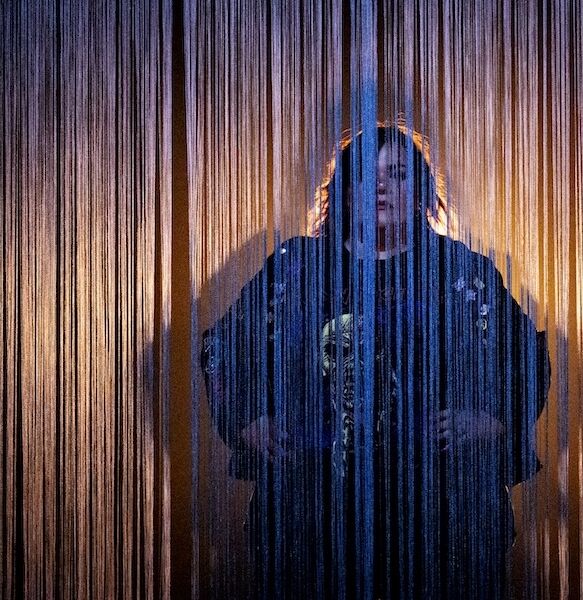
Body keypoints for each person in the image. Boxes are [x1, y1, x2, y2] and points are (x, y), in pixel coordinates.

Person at [200, 125, 550, 599]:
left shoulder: (459, 271)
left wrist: (492, 419)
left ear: (421, 192)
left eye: (398, 174)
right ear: (345, 190)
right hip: (313, 509)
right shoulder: (297, 267)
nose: (381, 186)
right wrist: (247, 421)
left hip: (442, 509)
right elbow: (223, 347)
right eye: (366, 173)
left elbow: (526, 354)